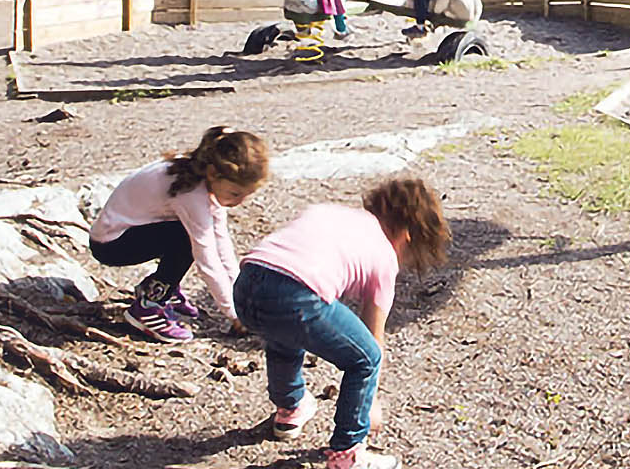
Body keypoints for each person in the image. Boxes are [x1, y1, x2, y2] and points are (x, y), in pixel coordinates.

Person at [235, 177, 452, 469]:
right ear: (406, 236)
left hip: (248, 282)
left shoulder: (329, 212)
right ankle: (347, 453)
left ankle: (291, 408)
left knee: (284, 336)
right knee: (366, 358)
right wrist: (369, 402)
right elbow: (373, 337)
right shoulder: (386, 255)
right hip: (296, 294)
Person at [89, 126, 269, 342]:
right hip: (111, 243)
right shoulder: (190, 192)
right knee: (186, 238)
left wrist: (239, 298)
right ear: (214, 173)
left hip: (129, 232)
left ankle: (159, 287)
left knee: (191, 234)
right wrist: (233, 314)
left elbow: (222, 243)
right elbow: (207, 259)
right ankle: (149, 307)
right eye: (235, 193)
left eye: (246, 196)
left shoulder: (200, 173)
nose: (239, 202)